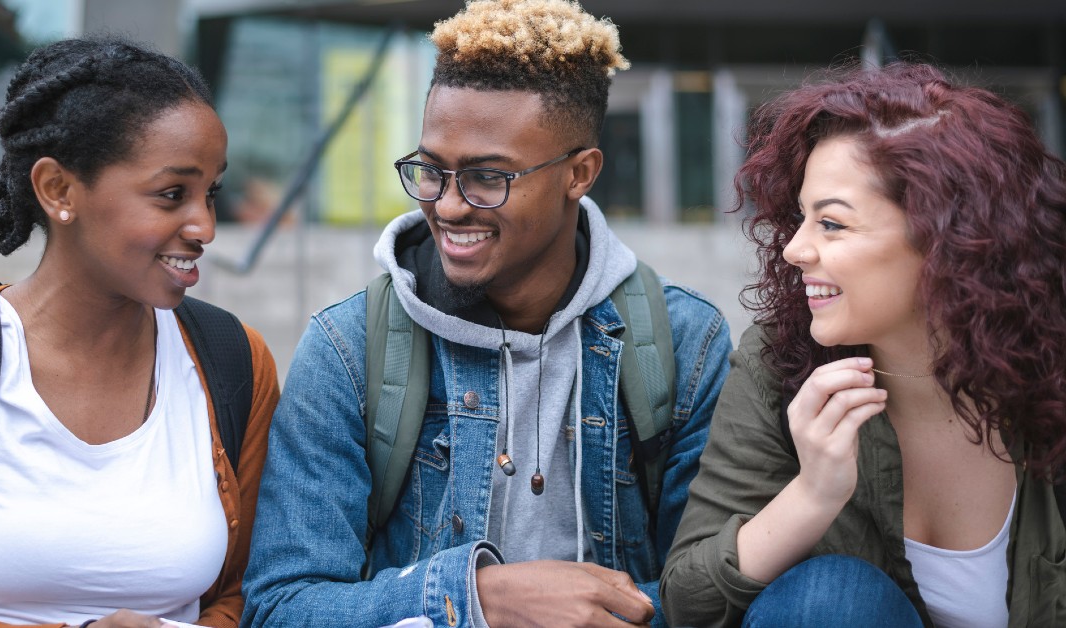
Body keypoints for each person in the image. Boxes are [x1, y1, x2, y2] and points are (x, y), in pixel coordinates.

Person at [241, 1, 731, 626]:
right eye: (431, 171)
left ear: (579, 173)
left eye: (486, 178)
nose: (447, 206)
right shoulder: (350, 347)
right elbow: (282, 605)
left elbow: (713, 596)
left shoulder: (684, 344)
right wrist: (475, 598)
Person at [0, 38, 279, 628]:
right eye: (172, 194)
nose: (205, 226)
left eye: (210, 193)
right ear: (58, 190)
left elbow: (249, 594)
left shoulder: (235, 363)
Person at [662, 62, 1066, 627]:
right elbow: (686, 602)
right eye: (801, 218)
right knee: (829, 598)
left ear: (950, 238)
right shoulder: (781, 362)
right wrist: (813, 494)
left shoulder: (1050, 367)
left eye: (831, 224)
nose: (794, 251)